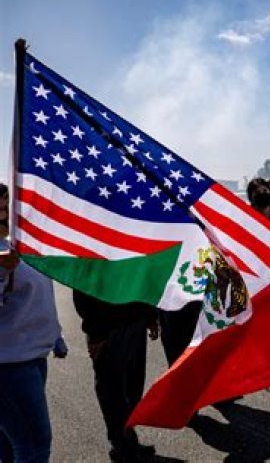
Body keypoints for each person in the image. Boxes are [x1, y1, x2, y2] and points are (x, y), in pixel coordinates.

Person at [0, 182, 67, 463]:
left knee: (8, 445)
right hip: (9, 366)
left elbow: (40, 295)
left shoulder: (21, 244)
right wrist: (2, 273)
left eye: (7, 206)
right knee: (33, 446)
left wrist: (55, 336)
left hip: (32, 358)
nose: (4, 214)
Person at [73, 290, 159, 461]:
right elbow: (83, 287)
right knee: (113, 393)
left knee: (133, 389)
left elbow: (143, 279)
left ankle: (127, 440)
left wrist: (150, 316)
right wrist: (96, 332)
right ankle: (123, 447)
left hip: (135, 321)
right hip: (108, 329)